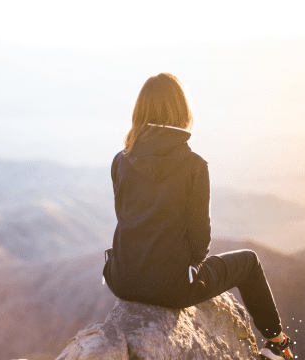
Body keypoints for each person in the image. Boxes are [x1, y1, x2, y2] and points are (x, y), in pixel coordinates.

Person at [102, 72, 294, 360]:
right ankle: (277, 343)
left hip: (122, 280)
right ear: (182, 112)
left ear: (140, 112)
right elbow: (200, 242)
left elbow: (127, 218)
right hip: (172, 288)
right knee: (250, 262)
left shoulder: (120, 159)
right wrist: (185, 270)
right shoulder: (193, 166)